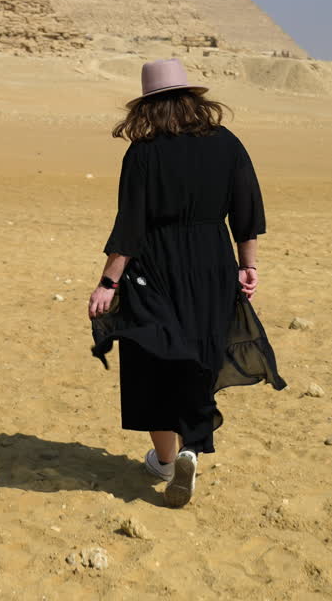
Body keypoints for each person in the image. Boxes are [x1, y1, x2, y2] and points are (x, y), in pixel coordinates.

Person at [88, 58, 286, 508]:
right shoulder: (228, 144)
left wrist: (108, 284)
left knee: (150, 360)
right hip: (212, 263)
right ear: (195, 99)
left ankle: (163, 459)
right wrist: (246, 266)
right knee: (200, 354)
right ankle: (192, 447)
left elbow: (130, 227)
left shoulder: (142, 152)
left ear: (147, 106)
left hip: (153, 266)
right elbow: (247, 212)